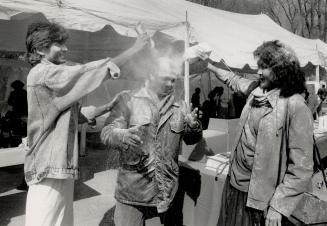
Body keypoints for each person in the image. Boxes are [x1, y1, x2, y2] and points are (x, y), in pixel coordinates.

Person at [24, 21, 149, 226]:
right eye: (58, 44)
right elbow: (87, 73)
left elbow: (75, 114)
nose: (65, 48)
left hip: (56, 166)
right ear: (39, 49)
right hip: (47, 167)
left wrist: (108, 106)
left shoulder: (50, 77)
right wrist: (134, 49)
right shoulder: (43, 73)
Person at [201, 40, 314, 226]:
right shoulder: (256, 90)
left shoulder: (295, 106)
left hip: (261, 199)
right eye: (259, 66)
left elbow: (301, 168)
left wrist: (278, 206)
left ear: (282, 70)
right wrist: (210, 66)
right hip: (235, 187)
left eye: (265, 67)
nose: (259, 72)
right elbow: (234, 80)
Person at [101, 57, 202, 226]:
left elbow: (191, 140)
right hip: (133, 190)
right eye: (165, 78)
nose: (170, 84)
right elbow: (107, 132)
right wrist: (123, 136)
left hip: (167, 191)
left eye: (173, 79)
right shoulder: (129, 99)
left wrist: (193, 125)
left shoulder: (181, 106)